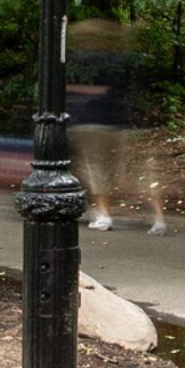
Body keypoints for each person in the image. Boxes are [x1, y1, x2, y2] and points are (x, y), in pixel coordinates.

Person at [62, 16, 166, 233]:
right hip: (123, 122)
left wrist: (71, 91)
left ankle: (104, 215)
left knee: (94, 168)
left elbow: (97, 90)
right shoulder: (125, 58)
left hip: (91, 122)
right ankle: (157, 217)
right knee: (132, 171)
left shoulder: (86, 58)